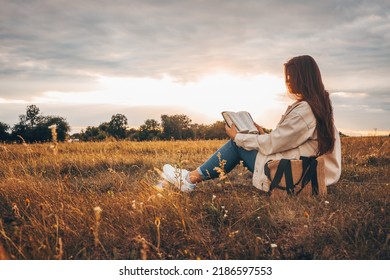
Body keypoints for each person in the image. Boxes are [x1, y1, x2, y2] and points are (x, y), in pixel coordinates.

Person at [161, 55, 342, 193]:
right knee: (243, 142)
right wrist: (263, 135)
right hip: (307, 170)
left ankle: (189, 180)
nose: (287, 82)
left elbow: (274, 144)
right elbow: (289, 141)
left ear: (302, 78)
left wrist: (238, 136)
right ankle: (189, 177)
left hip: (294, 174)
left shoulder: (305, 109)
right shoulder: (319, 105)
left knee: (236, 144)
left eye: (290, 77)